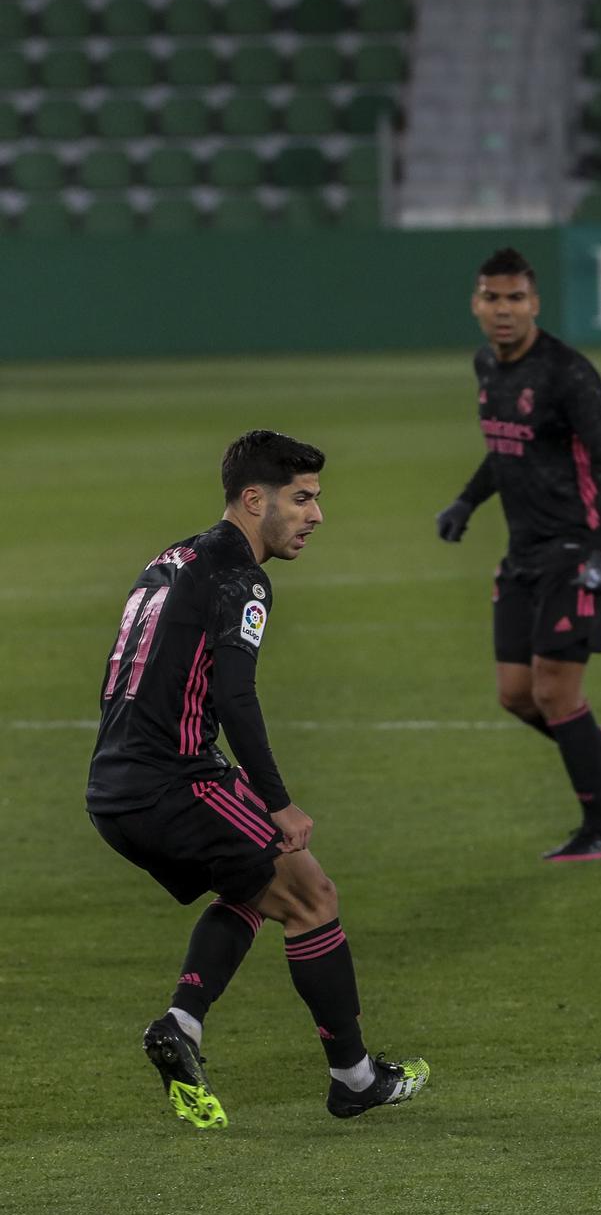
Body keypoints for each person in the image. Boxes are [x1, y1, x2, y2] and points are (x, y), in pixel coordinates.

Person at [87, 431, 430, 1129]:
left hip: (113, 787)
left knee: (250, 884)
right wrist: (277, 802)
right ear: (253, 499)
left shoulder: (174, 556)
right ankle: (354, 1078)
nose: (316, 515)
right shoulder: (241, 576)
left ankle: (182, 1025)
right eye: (301, 499)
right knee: (313, 895)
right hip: (174, 781)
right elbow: (237, 696)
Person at [435, 246, 601, 862]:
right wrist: (466, 501)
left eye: (515, 299)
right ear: (476, 304)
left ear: (535, 303)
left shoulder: (567, 372)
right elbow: (509, 447)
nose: (503, 310)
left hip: (575, 548)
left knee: (557, 692)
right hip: (524, 552)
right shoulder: (488, 365)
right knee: (516, 694)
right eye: (492, 298)